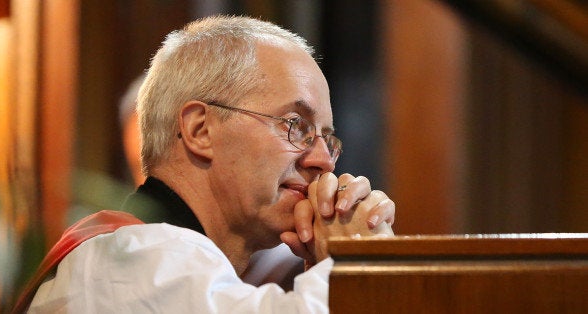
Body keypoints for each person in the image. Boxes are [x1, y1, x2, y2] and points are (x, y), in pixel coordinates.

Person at [20, 15, 395, 313]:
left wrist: (323, 263)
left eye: (328, 140)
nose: (323, 163)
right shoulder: (137, 258)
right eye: (295, 125)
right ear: (200, 130)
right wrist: (360, 254)